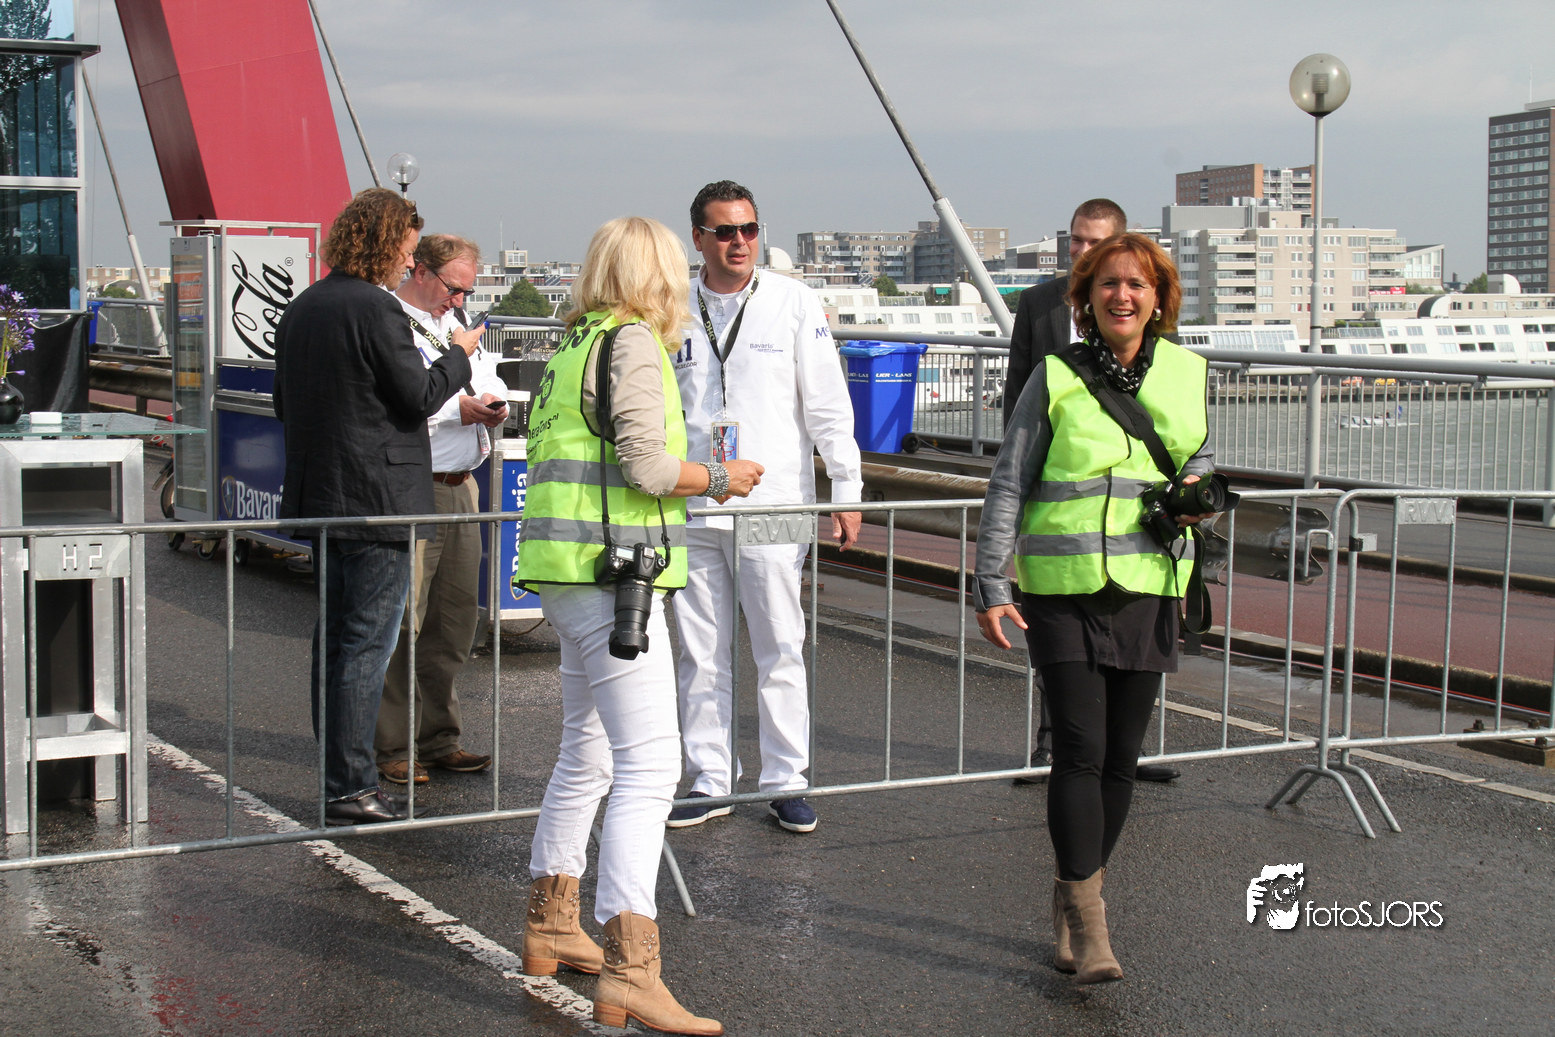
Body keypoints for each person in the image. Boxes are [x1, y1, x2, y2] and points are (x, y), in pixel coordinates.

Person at [515, 216, 760, 1036]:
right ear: (655, 274)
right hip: (613, 574)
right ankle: (631, 967)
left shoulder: (571, 345)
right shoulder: (634, 344)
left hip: (564, 570)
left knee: (585, 750)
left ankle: (552, 920)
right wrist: (719, 476)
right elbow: (647, 467)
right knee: (651, 766)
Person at [973, 233, 1217, 983]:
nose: (1122, 296)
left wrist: (1192, 499)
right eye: (1108, 283)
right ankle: (1092, 923)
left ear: (1158, 297)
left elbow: (1200, 460)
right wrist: (990, 582)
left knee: (1120, 757)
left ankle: (1073, 889)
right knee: (1078, 748)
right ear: (1085, 298)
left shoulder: (1187, 372)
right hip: (1062, 587)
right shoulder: (1055, 375)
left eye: (1137, 284)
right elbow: (1010, 479)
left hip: (1150, 582)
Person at [273, 188, 477, 826]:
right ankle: (351, 787)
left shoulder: (304, 306)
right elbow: (418, 395)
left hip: (321, 495)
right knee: (365, 646)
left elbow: (284, 403)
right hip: (378, 501)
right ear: (386, 244)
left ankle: (338, 778)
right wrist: (459, 356)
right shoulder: (377, 308)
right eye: (407, 250)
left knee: (334, 642)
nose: (408, 262)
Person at [666, 180, 864, 834]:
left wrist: (846, 488)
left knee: (780, 643)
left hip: (774, 500)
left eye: (748, 229)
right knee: (701, 649)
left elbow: (828, 403)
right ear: (698, 238)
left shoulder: (792, 301)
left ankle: (785, 778)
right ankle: (709, 777)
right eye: (724, 231)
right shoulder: (672, 305)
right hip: (695, 500)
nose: (739, 242)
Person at [1003, 199, 1180, 786]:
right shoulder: (1039, 303)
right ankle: (1052, 746)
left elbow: (1171, 417)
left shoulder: (1152, 323)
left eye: (1094, 241)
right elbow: (1019, 394)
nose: (1082, 250)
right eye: (1076, 241)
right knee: (1064, 655)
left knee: (1118, 691)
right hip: (1062, 524)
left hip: (1132, 537)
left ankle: (1116, 753)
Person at [375, 234, 506, 786]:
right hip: (413, 485)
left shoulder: (456, 322)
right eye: (455, 289)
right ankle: (392, 745)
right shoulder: (389, 320)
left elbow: (486, 377)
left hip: (460, 484)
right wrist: (460, 411)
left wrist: (491, 403)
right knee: (405, 619)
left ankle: (439, 738)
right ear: (422, 271)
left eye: (467, 292)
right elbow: (398, 403)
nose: (460, 300)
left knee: (453, 621)